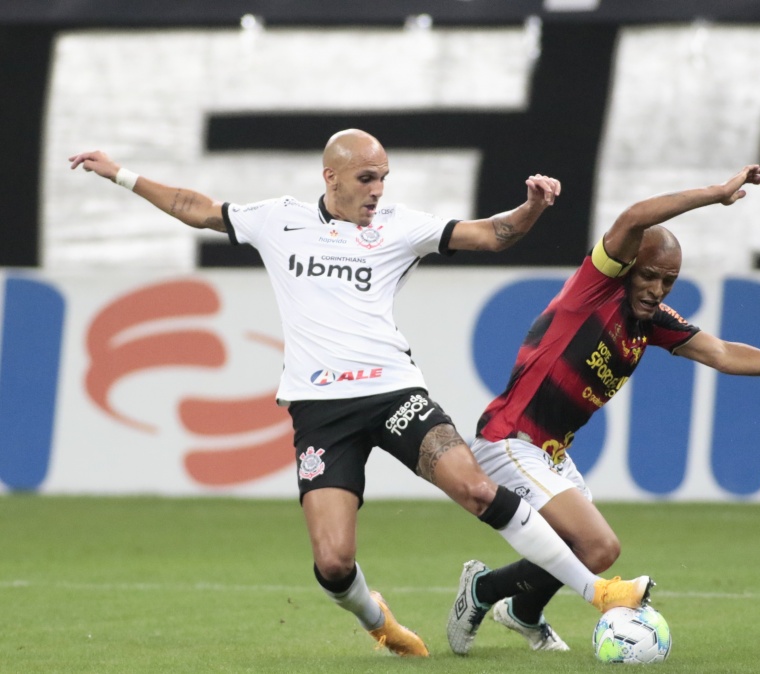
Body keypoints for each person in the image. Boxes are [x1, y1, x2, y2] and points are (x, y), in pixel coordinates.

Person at [69, 129, 654, 658]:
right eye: (366, 178)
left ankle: (599, 592)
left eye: (383, 178)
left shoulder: (399, 227)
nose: (377, 190)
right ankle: (379, 621)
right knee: (333, 561)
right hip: (320, 412)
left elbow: (491, 236)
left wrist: (530, 209)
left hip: (394, 392)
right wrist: (120, 174)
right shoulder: (278, 219)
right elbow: (193, 208)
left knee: (477, 489)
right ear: (331, 176)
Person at [447, 164, 760, 654]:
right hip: (510, 440)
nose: (657, 289)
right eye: (650, 276)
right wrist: (717, 194)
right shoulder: (594, 287)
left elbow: (720, 352)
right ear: (628, 266)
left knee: (585, 549)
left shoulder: (652, 321)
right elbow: (635, 216)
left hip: (551, 452)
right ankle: (485, 592)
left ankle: (518, 609)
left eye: (669, 281)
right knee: (601, 547)